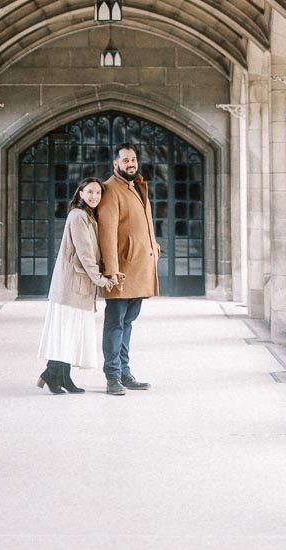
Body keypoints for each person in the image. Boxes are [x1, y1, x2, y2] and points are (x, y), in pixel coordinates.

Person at [37, 178, 118, 394]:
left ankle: (60, 376)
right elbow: (85, 254)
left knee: (70, 334)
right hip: (71, 287)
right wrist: (101, 280)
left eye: (98, 193)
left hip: (77, 287)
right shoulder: (78, 216)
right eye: (90, 192)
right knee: (67, 332)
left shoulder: (87, 216)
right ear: (80, 193)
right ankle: (52, 374)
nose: (94, 196)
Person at [97, 142, 160, 395]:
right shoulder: (111, 190)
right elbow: (107, 233)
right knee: (115, 323)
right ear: (115, 164)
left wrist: (154, 246)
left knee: (128, 323)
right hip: (121, 271)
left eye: (133, 159)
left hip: (139, 268)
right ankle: (112, 377)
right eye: (125, 160)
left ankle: (124, 372)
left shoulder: (136, 186)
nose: (130, 164)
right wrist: (111, 270)